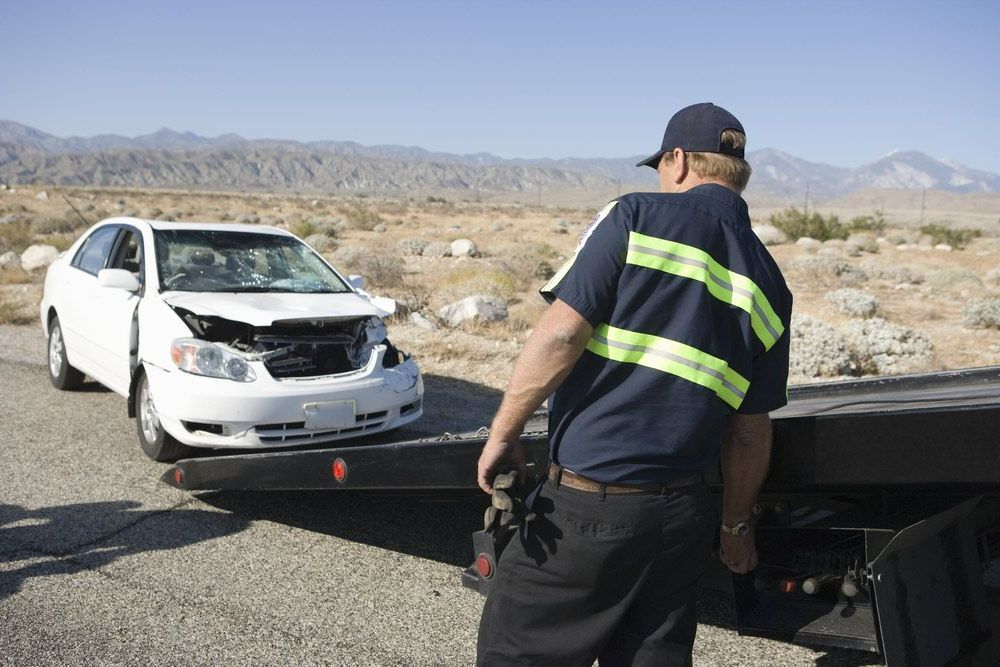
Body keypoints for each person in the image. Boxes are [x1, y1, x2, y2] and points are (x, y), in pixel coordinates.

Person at [475, 102, 793, 666]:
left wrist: (504, 431)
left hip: (589, 506)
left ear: (676, 160)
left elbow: (559, 338)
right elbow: (748, 434)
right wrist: (735, 524)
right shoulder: (768, 280)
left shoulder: (636, 217)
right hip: (682, 520)